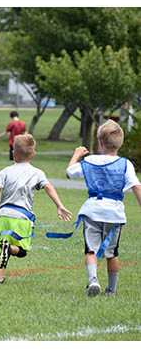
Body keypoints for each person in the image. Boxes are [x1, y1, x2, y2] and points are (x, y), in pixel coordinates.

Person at [66, 119, 141, 297]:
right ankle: (111, 290)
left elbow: (69, 173)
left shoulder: (90, 160)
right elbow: (136, 187)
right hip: (114, 213)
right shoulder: (125, 164)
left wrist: (76, 155)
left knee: (91, 249)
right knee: (112, 252)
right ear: (120, 143)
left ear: (99, 142)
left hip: (92, 210)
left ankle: (93, 280)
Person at [0, 133, 72, 284]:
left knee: (3, 243)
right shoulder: (37, 172)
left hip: (4, 215)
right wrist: (59, 205)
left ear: (13, 153)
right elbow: (48, 187)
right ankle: (8, 250)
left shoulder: (5, 171)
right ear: (33, 154)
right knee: (21, 251)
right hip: (23, 217)